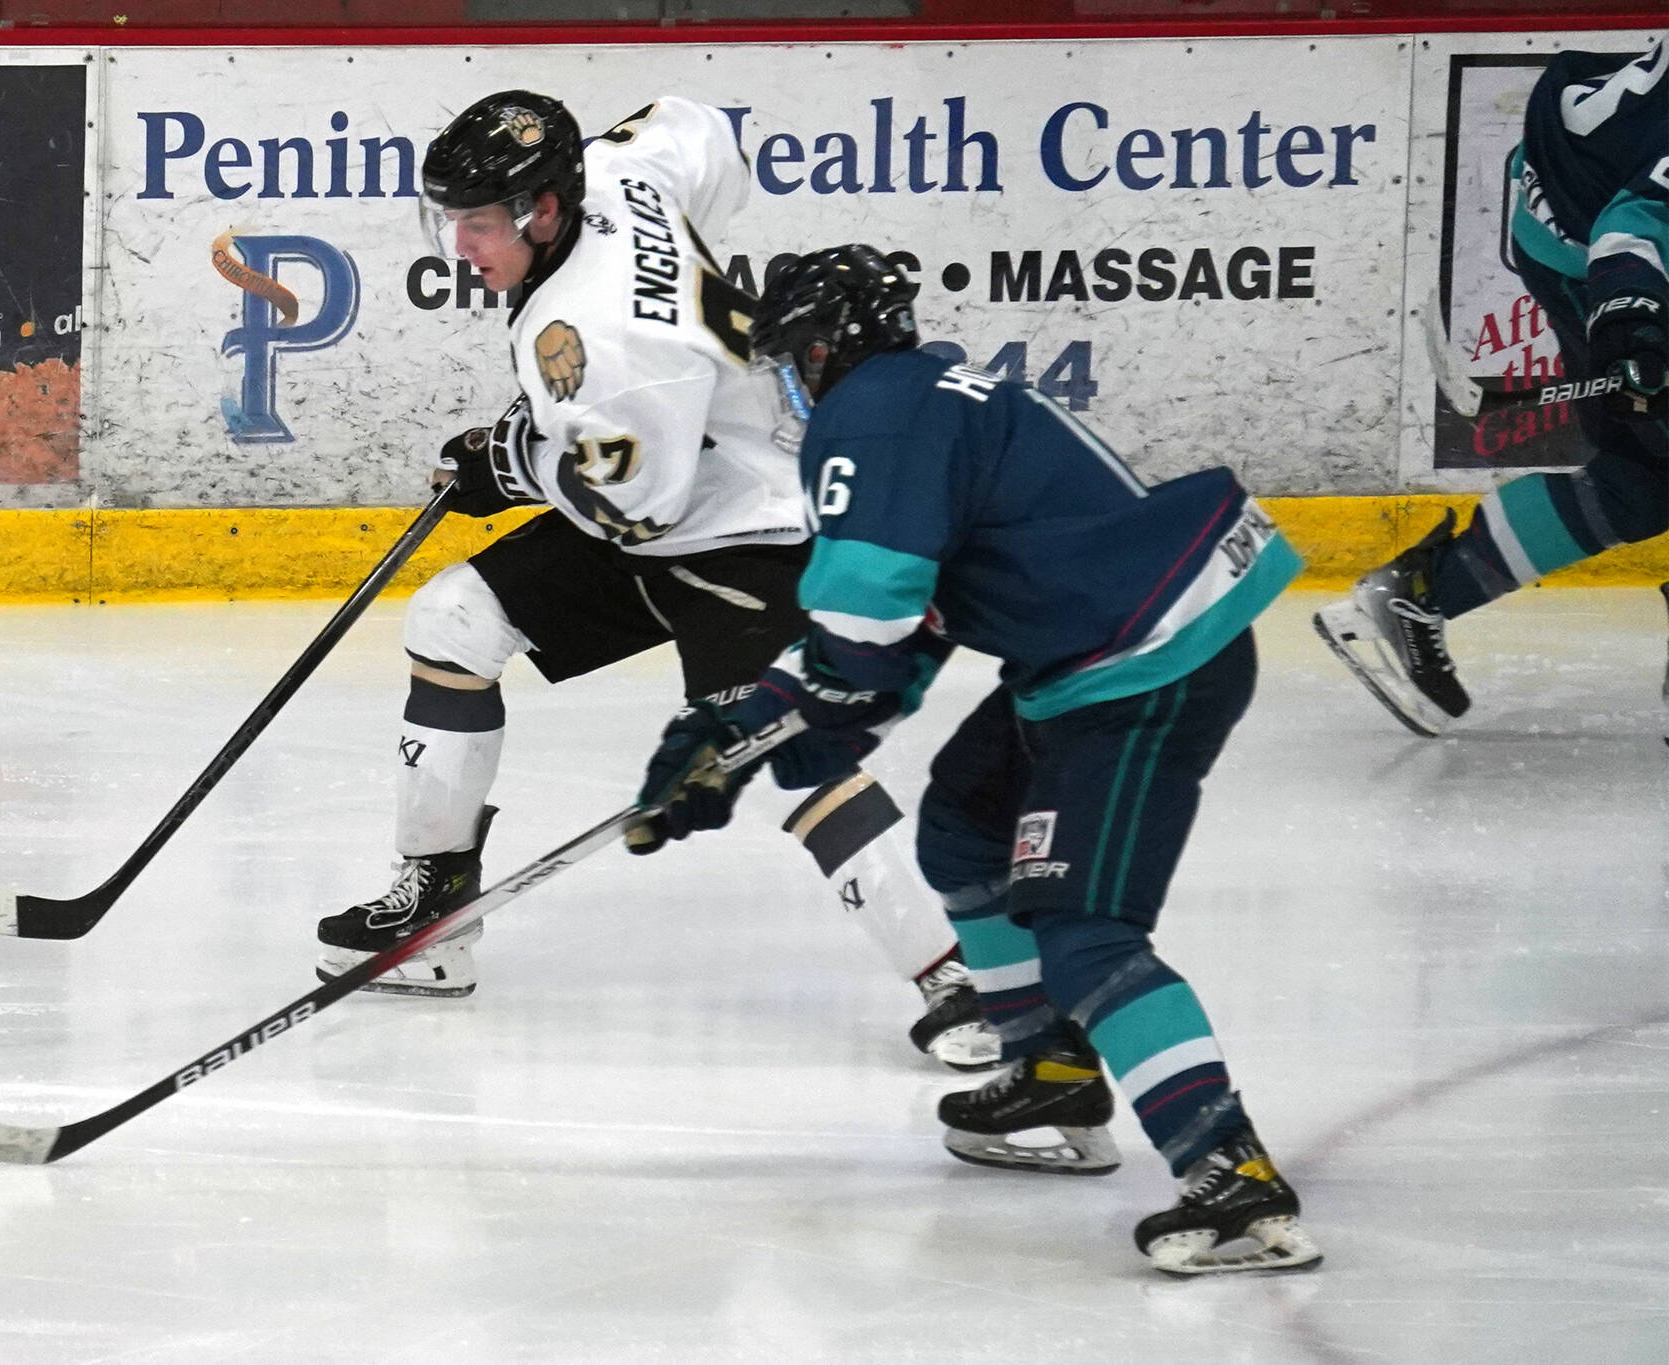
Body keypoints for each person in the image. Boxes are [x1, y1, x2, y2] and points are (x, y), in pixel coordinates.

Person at [634, 245, 1323, 1276]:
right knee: (963, 815)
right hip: (1105, 647)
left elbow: (865, 632)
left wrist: (746, 733)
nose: (783, 385)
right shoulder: (924, 395)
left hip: (1139, 667)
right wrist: (747, 725)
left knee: (1081, 922)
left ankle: (1228, 1177)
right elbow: (894, 650)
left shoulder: (872, 410)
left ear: (821, 349)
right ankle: (1047, 1064)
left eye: (785, 361)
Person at [314, 92, 993, 1069]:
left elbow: (640, 509)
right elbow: (699, 129)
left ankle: (952, 978)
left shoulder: (600, 336)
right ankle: (434, 906)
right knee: (453, 619)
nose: (458, 245)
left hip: (750, 529)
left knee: (779, 755)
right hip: (679, 481)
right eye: (448, 220)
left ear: (544, 211)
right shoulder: (618, 170)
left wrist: (510, 463)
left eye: (477, 224)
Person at [1317, 36, 1668, 735]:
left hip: (1600, 179)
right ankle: (1422, 590)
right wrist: (1634, 326)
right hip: (1587, 225)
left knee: (1648, 475)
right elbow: (1637, 226)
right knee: (1649, 466)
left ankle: (1421, 592)